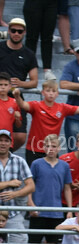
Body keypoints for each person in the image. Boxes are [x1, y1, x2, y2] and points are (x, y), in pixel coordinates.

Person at [15, 78, 79, 165]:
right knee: (34, 177)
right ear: (43, 92)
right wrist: (17, 96)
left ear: (57, 94)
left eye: (53, 91)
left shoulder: (62, 108)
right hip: (34, 149)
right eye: (48, 91)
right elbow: (22, 104)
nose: (51, 93)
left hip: (53, 150)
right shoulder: (36, 105)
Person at [0, 18, 39, 151]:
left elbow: (35, 81)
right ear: (9, 31)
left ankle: (5, 154)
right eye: (13, 30)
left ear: (24, 32)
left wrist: (21, 83)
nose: (16, 33)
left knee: (21, 136)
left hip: (16, 97)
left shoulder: (29, 54)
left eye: (19, 31)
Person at [28, 134, 72, 244]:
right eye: (47, 146)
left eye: (53, 146)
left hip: (56, 213)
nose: (50, 149)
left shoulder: (64, 166)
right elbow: (29, 185)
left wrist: (70, 210)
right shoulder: (36, 164)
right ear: (43, 148)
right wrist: (31, 205)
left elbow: (67, 188)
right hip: (38, 212)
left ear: (59, 148)